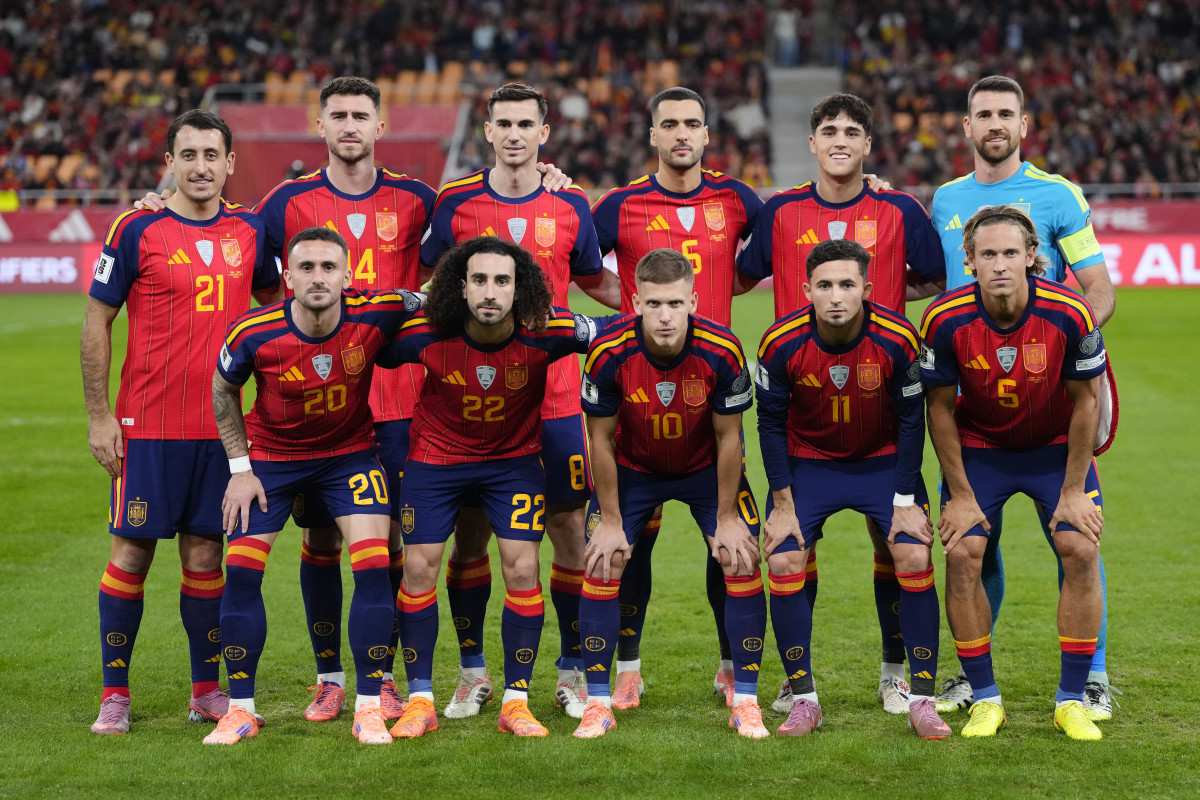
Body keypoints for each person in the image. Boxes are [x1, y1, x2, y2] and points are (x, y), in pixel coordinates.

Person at [736, 93, 945, 715]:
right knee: (794, 550)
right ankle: (796, 680)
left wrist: (881, 316)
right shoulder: (780, 211)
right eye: (829, 131)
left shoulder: (898, 208)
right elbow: (738, 274)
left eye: (852, 132)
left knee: (896, 546)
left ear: (867, 145)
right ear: (812, 143)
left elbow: (938, 279)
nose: (840, 141)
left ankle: (895, 674)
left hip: (880, 401)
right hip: (803, 407)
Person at [419, 82, 620, 721]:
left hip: (555, 398)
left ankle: (568, 671)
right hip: (474, 401)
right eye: (502, 123)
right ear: (487, 131)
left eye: (524, 124)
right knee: (472, 536)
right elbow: (428, 282)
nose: (513, 134)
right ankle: (472, 672)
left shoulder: (570, 203)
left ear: (543, 134)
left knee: (567, 533)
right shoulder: (455, 201)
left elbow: (593, 279)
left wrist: (654, 311)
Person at [81, 109, 281, 735]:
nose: (200, 167)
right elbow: (96, 320)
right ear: (169, 162)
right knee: (130, 555)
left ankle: (205, 691)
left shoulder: (251, 230)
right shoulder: (135, 227)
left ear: (229, 163)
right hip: (147, 426)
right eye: (187, 155)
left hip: (223, 433)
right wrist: (99, 417)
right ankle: (115, 694)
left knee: (205, 557)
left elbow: (279, 310)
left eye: (211, 155)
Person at [929, 75, 1119, 720]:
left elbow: (1098, 289)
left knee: (1076, 536)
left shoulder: (1058, 195)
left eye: (1005, 114)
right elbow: (933, 286)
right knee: (972, 544)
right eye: (983, 114)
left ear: (1023, 125)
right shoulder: (946, 199)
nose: (995, 124)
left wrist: (1064, 347)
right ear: (967, 126)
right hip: (973, 403)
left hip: (1048, 394)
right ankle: (971, 677)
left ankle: (1090, 677)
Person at [380, 236, 609, 739]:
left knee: (523, 567)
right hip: (436, 461)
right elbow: (362, 343)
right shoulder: (425, 332)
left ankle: (516, 702)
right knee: (418, 568)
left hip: (512, 464)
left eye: (502, 281)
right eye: (479, 280)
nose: (490, 291)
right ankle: (421, 700)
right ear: (460, 287)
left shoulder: (547, 330)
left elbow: (617, 334)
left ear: (519, 289)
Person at [205, 227, 424, 745]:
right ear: (288, 277)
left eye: (329, 267)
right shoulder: (252, 332)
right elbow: (222, 389)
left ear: (348, 276)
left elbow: (435, 297)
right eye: (306, 267)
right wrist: (240, 469)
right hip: (272, 459)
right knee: (241, 573)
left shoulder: (380, 310)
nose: (318, 277)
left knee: (373, 565)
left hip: (350, 456)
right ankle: (241, 709)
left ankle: (369, 705)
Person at [590, 86, 765, 708]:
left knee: (731, 548)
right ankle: (628, 669)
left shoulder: (738, 199)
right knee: (630, 546)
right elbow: (582, 266)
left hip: (709, 394)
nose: (682, 133)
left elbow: (766, 257)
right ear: (653, 135)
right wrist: (635, 310)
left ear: (708, 134)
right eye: (670, 124)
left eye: (693, 123)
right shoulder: (619, 204)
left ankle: (730, 666)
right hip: (638, 397)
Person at [755, 238, 950, 739]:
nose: (836, 296)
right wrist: (782, 505)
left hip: (882, 463)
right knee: (784, 558)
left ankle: (918, 696)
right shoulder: (779, 343)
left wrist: (905, 502)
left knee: (912, 553)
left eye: (847, 284)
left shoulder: (898, 339)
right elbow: (769, 425)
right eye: (824, 285)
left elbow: (912, 421)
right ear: (807, 291)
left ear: (867, 288)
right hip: (809, 463)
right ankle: (803, 697)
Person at [572, 248, 769, 740]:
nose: (665, 316)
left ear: (693, 303)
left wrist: (727, 517)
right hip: (634, 469)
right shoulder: (609, 352)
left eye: (676, 304)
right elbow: (599, 440)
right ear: (636, 302)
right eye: (655, 304)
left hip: (704, 469)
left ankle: (745, 700)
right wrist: (611, 521)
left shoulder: (722, 350)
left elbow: (729, 438)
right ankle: (600, 701)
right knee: (603, 560)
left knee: (740, 555)